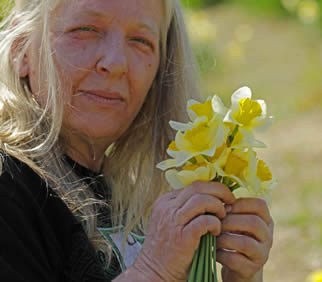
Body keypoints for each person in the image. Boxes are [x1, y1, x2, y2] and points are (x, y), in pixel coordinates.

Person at [0, 0, 274, 281]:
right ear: (21, 49)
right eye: (86, 29)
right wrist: (153, 271)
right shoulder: (8, 185)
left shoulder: (131, 200)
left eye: (140, 40)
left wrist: (241, 277)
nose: (116, 63)